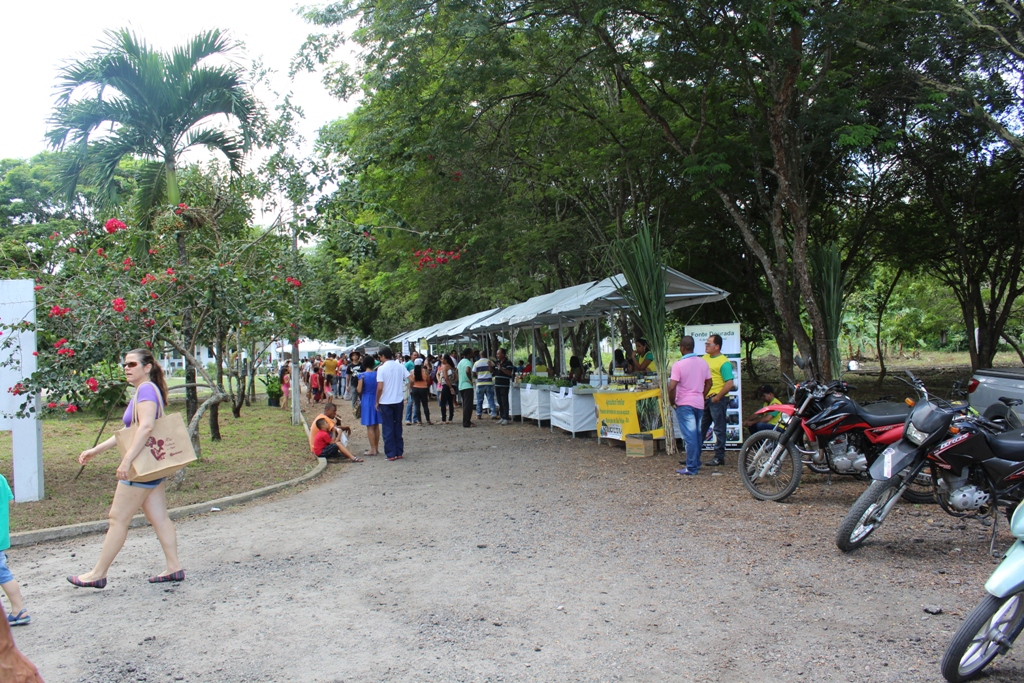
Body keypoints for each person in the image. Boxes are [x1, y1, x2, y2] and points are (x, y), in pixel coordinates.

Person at [71, 347, 184, 588]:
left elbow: (146, 427)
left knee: (117, 518)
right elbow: (128, 431)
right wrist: (96, 450)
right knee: (159, 517)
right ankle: (174, 567)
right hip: (151, 465)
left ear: (147, 367)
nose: (126, 368)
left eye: (132, 364)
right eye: (125, 364)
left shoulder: (145, 390)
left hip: (140, 466)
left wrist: (126, 460)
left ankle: (98, 574)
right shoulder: (146, 389)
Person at [669, 336, 712, 476]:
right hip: (698, 403)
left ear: (682, 348)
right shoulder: (703, 363)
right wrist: (701, 395)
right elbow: (709, 383)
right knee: (697, 434)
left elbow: (672, 387)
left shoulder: (678, 365)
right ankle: (696, 462)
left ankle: (692, 466)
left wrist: (672, 402)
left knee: (690, 436)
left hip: (684, 403)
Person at [701, 333, 735, 466]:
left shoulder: (724, 362)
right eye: (706, 343)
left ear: (717, 346)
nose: (706, 346)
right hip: (706, 398)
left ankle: (719, 457)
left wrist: (718, 397)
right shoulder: (704, 358)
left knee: (719, 428)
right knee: (702, 428)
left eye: (709, 344)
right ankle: (694, 456)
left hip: (717, 400)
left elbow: (729, 383)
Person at [0, 475, 28, 626]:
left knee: (2, 574)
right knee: (3, 573)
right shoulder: (1, 479)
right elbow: (10, 501)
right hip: (1, 536)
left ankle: (18, 610)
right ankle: (18, 610)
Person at [376, 347, 409, 460]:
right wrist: (408, 390)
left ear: (382, 356)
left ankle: (391, 453)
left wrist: (377, 401)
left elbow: (380, 387)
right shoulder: (400, 366)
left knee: (387, 427)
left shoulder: (381, 369)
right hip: (398, 400)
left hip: (385, 401)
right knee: (397, 425)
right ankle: (399, 451)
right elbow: (411, 378)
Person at [357, 357, 381, 456]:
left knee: (369, 426)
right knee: (376, 425)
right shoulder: (377, 374)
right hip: (376, 399)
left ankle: (372, 449)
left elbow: (359, 390)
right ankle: (376, 447)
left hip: (367, 399)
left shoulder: (362, 375)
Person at [493, 348, 515, 425]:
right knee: (499, 401)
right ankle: (502, 417)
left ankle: (506, 418)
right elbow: (494, 372)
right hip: (497, 384)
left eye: (498, 354)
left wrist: (501, 369)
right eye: (497, 354)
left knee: (504, 401)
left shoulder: (508, 363)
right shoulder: (497, 362)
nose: (497, 355)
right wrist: (490, 367)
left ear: (503, 354)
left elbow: (509, 373)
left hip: (504, 385)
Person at [409, 360, 433, 425]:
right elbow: (428, 380)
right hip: (423, 389)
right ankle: (428, 420)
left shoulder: (412, 372)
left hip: (415, 389)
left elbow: (411, 381)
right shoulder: (425, 371)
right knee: (425, 405)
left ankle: (419, 421)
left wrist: (411, 387)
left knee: (417, 405)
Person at [473, 352, 496, 419]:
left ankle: (478, 414)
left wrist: (478, 377)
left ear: (480, 355)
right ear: (486, 355)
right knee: (491, 399)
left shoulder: (476, 363)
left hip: (480, 383)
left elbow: (473, 373)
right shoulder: (490, 362)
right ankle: (493, 414)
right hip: (489, 383)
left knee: (479, 400)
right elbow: (493, 371)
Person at [458, 348, 476, 428]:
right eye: (472, 352)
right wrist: (470, 379)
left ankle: (467, 421)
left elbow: (457, 371)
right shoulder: (468, 362)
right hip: (467, 385)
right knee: (468, 405)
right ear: (469, 354)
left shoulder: (461, 362)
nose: (473, 354)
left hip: (461, 385)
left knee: (465, 404)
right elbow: (467, 370)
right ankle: (466, 422)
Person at [438, 354, 458, 424]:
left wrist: (449, 386)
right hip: (453, 384)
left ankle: (444, 419)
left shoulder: (445, 366)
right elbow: (456, 377)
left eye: (442, 359)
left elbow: (446, 378)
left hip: (446, 385)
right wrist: (452, 383)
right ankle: (450, 418)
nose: (441, 360)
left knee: (443, 402)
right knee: (450, 402)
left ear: (446, 360)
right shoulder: (453, 367)